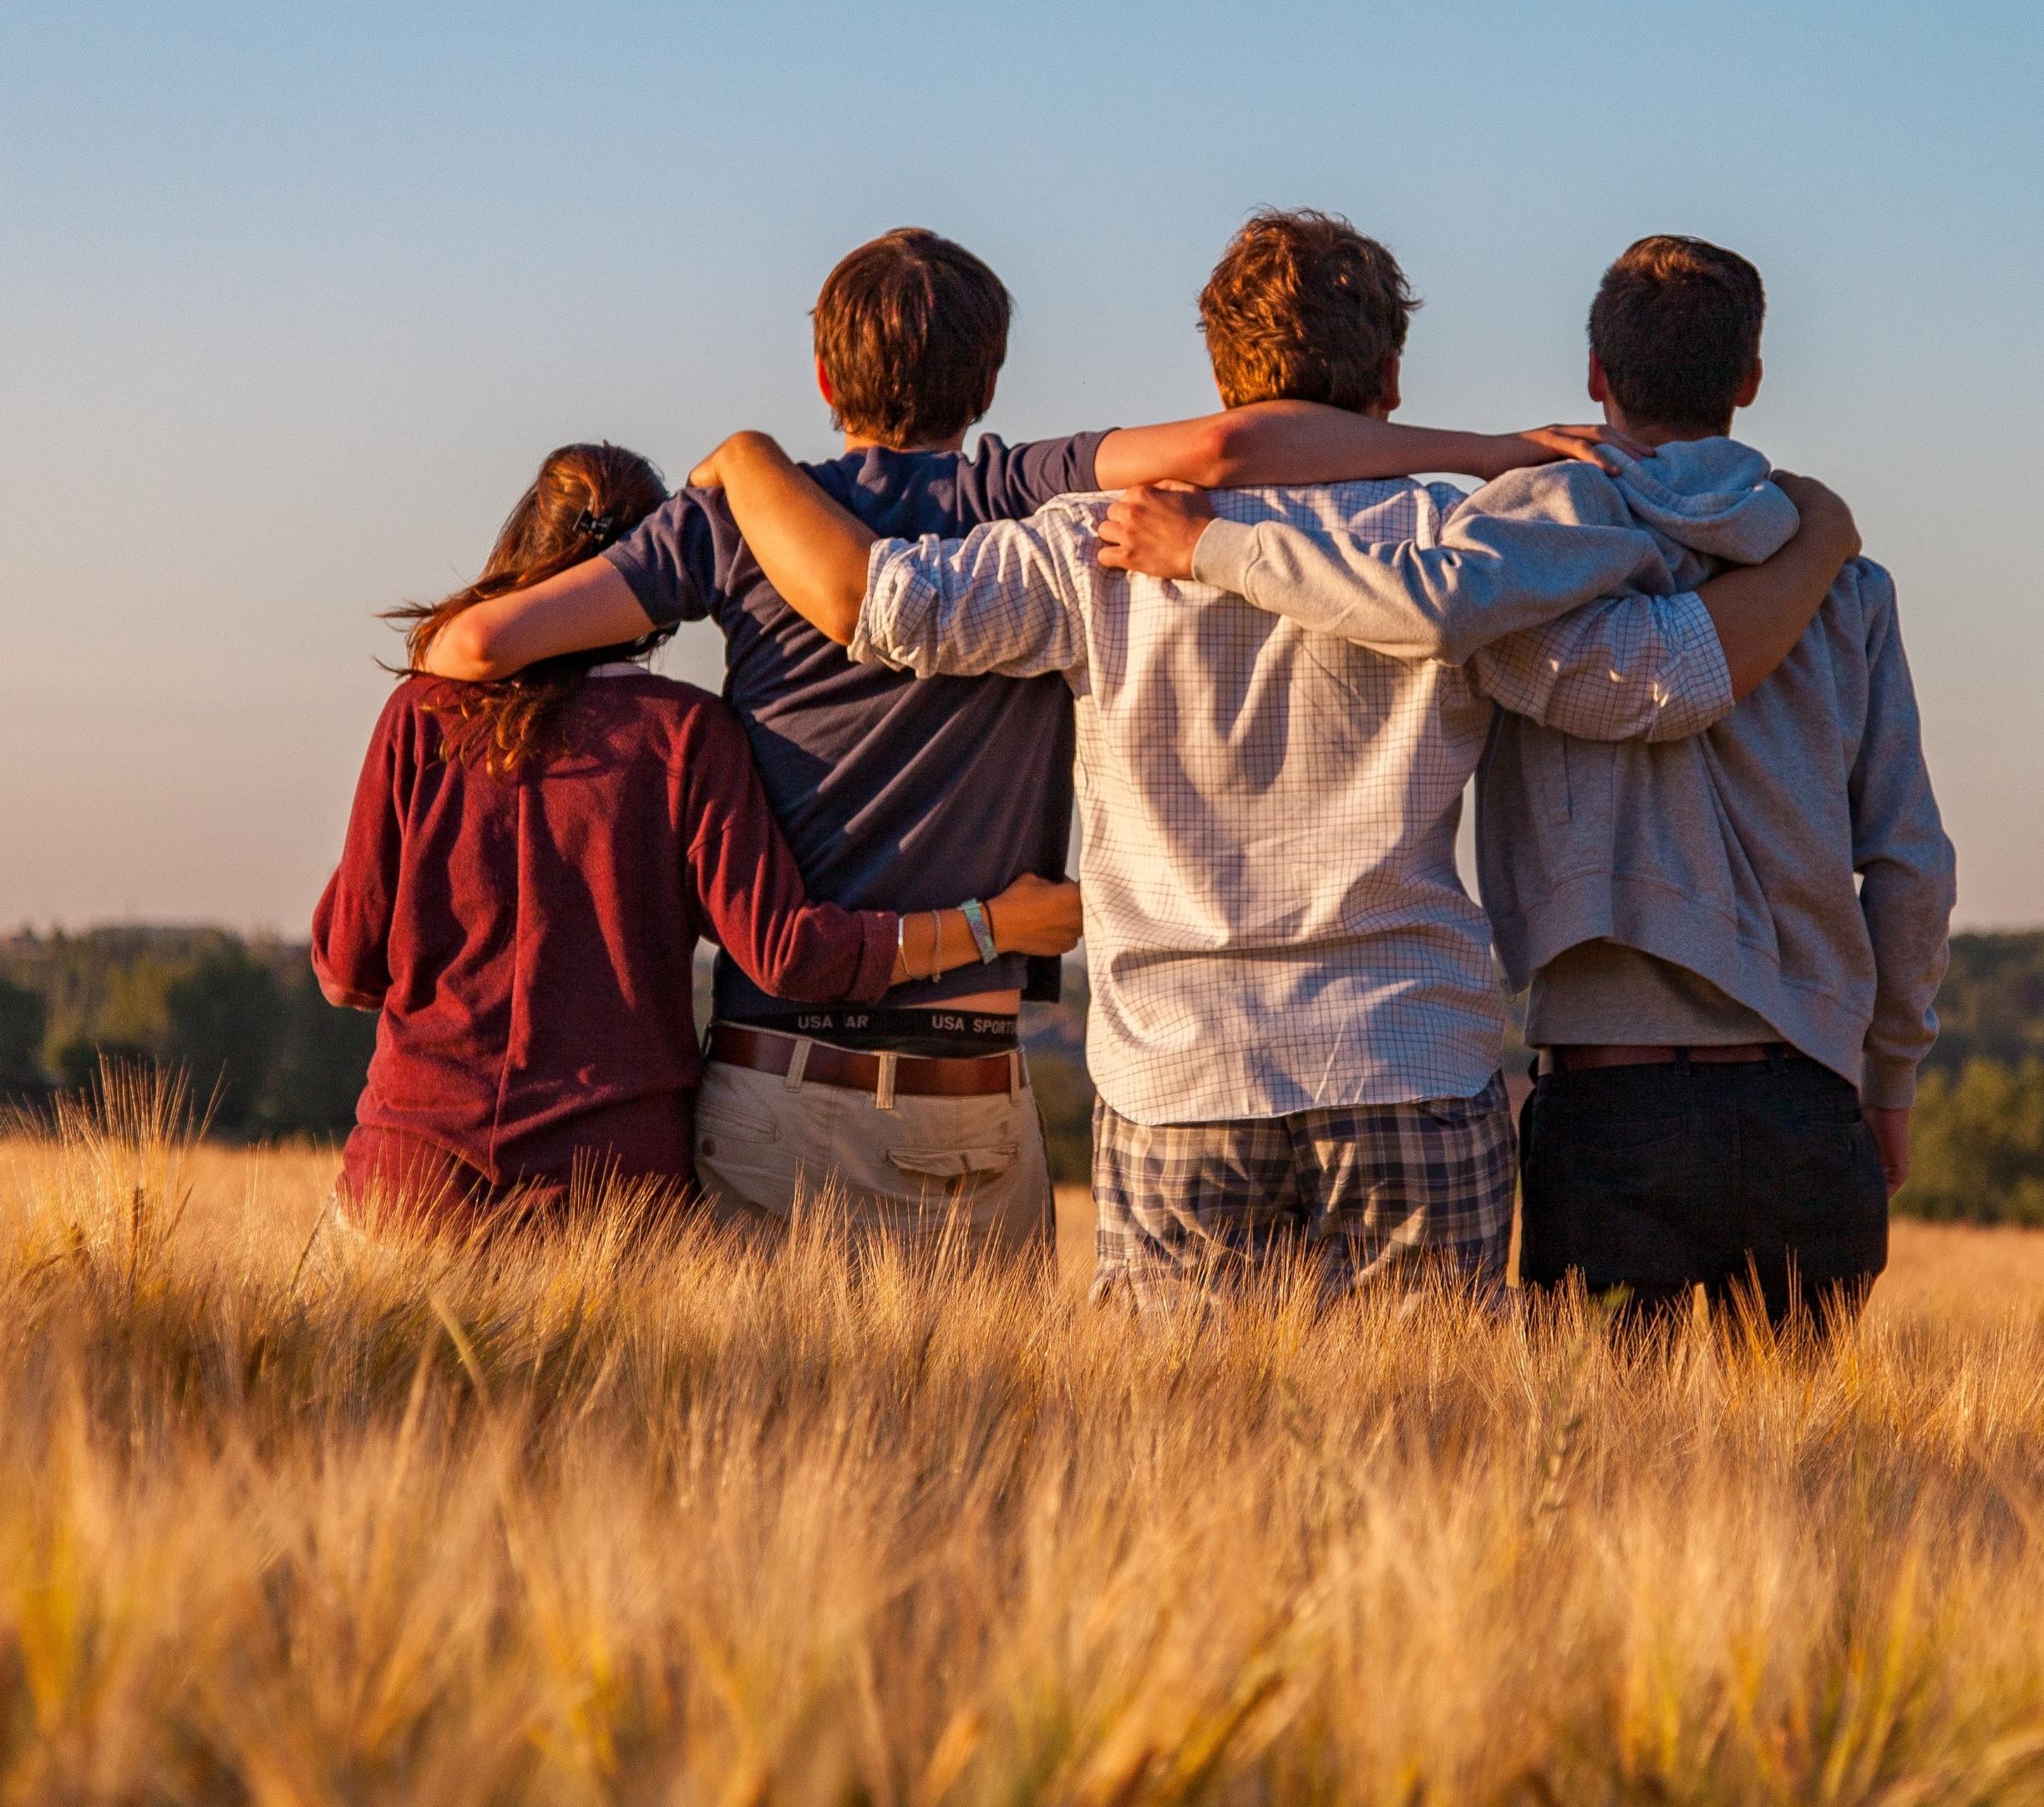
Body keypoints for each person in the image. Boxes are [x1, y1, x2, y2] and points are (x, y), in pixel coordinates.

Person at [688, 213, 1861, 1306]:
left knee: (1181, 1466)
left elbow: (884, 607)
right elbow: (1658, 683)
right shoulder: (1457, 546)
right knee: (1427, 1457)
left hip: (1177, 1074)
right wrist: (1815, 544)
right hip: (1407, 1055)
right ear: (1390, 379)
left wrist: (746, 461)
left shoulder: (1090, 544)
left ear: (1219, 377)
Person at [418, 226, 1617, 1248]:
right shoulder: (1017, 493)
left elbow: (475, 651)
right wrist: (1490, 451)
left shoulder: (738, 522)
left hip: (781, 1073)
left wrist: (732, 472)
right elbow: (1225, 450)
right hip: (980, 1085)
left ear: (823, 377)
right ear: (988, 379)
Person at [1101, 234, 1954, 1332]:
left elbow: (1422, 604)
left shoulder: (1518, 550)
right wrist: (1888, 1076)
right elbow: (1907, 861)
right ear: (1747, 380)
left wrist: (1211, 546)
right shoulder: (1844, 584)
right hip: (1807, 1097)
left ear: (1595, 373)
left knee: (1593, 1476)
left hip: (1608, 1097)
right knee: (1804, 1486)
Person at [312, 440, 1082, 1231]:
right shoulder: (686, 735)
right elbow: (789, 954)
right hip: (610, 1198)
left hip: (410, 1180)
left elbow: (347, 969)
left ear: (522, 549)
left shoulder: (422, 717)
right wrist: (995, 925)